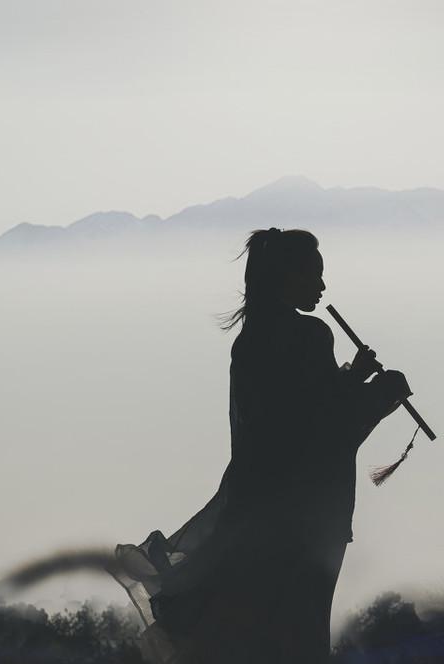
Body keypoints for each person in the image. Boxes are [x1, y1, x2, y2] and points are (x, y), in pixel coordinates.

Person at [109, 227, 412, 664]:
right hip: (310, 522)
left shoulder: (250, 342)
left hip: (258, 517)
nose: (323, 287)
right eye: (315, 275)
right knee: (301, 639)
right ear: (289, 277)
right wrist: (382, 395)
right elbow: (325, 430)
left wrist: (354, 378)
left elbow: (293, 418)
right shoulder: (310, 336)